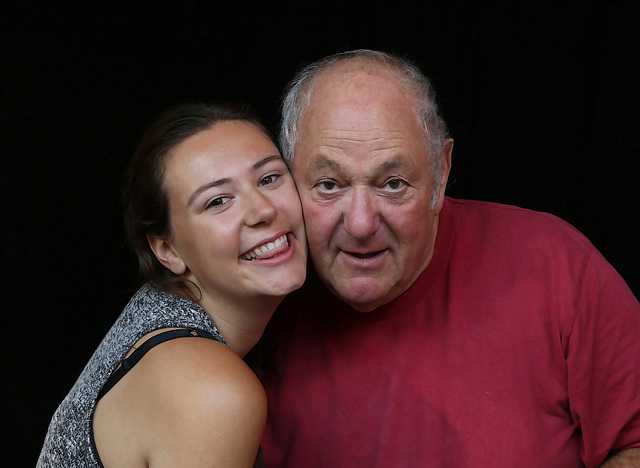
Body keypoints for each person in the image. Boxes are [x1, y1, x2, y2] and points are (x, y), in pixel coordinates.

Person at [260, 50, 640, 467]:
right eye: (329, 185)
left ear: (441, 172)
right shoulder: (258, 297)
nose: (361, 223)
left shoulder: (556, 265)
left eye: (392, 183)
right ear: (288, 179)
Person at [37, 102, 307, 467]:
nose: (262, 211)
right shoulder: (208, 389)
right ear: (168, 250)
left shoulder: (160, 311)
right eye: (218, 201)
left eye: (269, 178)